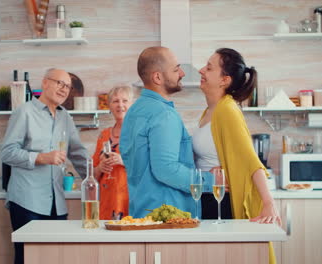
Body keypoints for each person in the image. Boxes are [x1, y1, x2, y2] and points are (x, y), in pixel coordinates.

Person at [193, 48, 281, 263]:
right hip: (208, 198)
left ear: (225, 80)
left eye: (209, 67)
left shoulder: (227, 110)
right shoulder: (209, 111)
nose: (201, 70)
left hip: (221, 202)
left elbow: (251, 160)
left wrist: (268, 202)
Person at [1, 68, 88, 264]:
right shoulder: (24, 112)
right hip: (27, 201)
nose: (64, 89)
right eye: (60, 83)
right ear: (45, 83)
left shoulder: (65, 116)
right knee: (28, 259)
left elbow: (78, 153)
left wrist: (95, 175)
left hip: (56, 203)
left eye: (67, 86)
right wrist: (41, 158)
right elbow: (7, 152)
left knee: (56, 258)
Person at [120, 46, 210, 218]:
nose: (182, 73)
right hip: (168, 215)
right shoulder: (164, 114)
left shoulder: (134, 111)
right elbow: (166, 169)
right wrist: (209, 181)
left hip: (142, 211)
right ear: (158, 77)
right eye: (176, 69)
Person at [92, 85, 133, 220]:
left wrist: (123, 161)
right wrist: (99, 168)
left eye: (124, 100)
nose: (120, 105)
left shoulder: (139, 133)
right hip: (107, 201)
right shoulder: (103, 135)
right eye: (115, 101)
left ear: (131, 105)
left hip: (131, 199)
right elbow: (92, 175)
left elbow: (148, 167)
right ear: (109, 106)